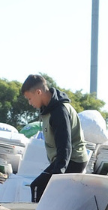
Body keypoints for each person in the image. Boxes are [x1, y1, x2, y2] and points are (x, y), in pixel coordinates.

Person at [21, 74, 90, 202]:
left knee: (38, 186)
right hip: (64, 160)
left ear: (38, 92)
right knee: (43, 189)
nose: (30, 103)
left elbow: (65, 146)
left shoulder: (59, 111)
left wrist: (57, 175)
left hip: (73, 161)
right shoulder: (48, 109)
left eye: (29, 99)